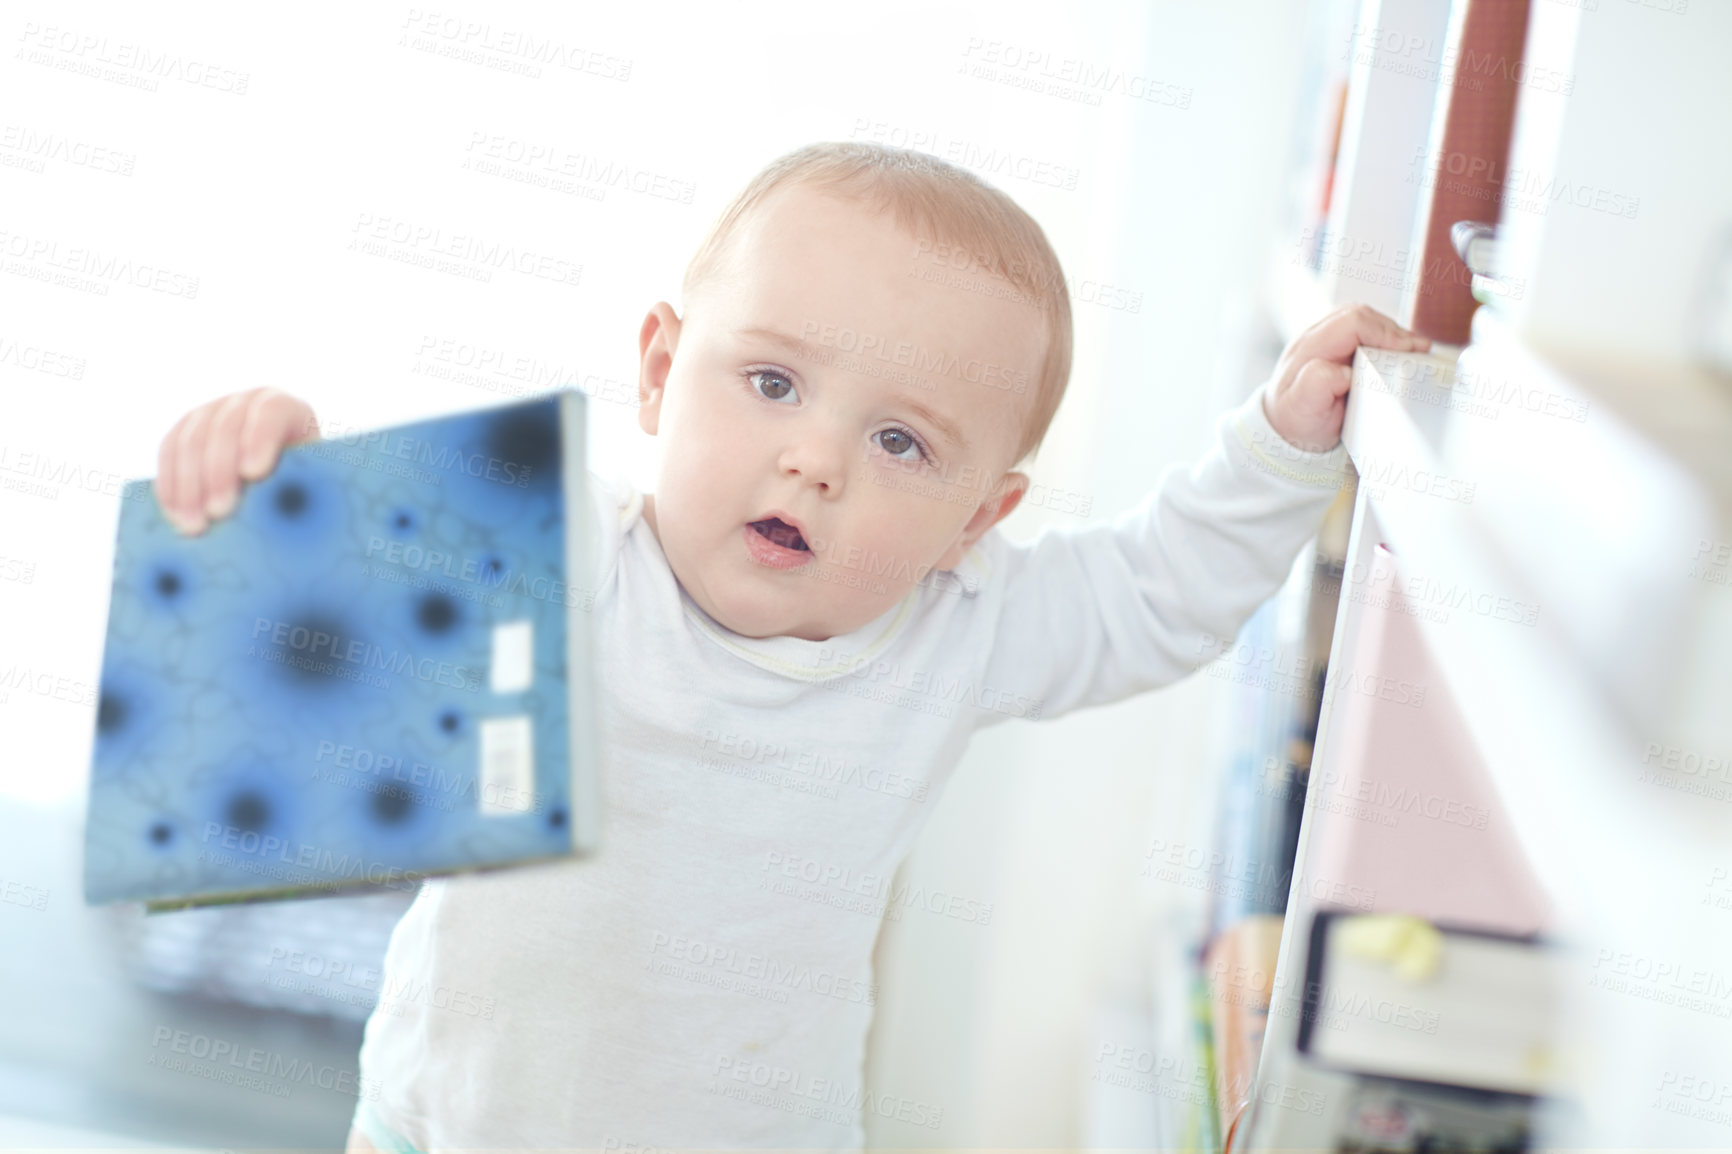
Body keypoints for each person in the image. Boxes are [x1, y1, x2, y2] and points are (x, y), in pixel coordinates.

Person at [153, 141, 1428, 1151]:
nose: (813, 458)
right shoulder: (554, 557)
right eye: (771, 382)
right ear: (659, 369)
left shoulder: (957, 627)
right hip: (443, 1121)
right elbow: (319, 632)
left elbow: (1158, 591)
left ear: (975, 519)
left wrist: (1277, 446)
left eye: (899, 443)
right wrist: (275, 475)